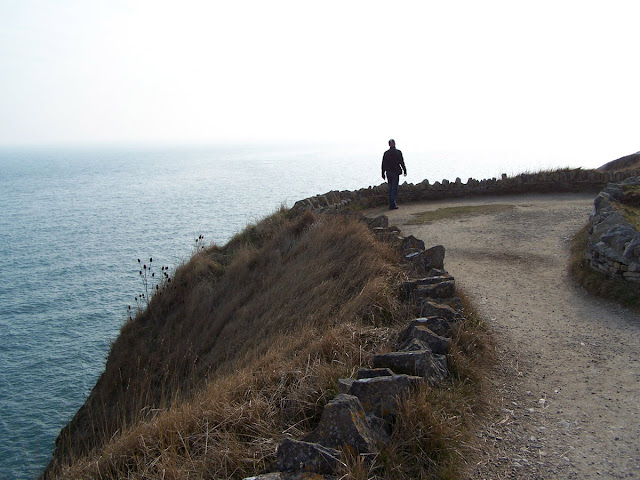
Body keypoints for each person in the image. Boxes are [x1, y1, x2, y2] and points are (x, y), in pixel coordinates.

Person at [381, 139, 407, 210]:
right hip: (395, 172)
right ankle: (393, 204)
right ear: (394, 144)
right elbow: (401, 162)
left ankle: (391, 204)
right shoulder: (398, 152)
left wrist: (382, 173)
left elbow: (383, 164)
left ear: (389, 144)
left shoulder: (386, 153)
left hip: (389, 172)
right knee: (394, 188)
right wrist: (404, 170)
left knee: (390, 188)